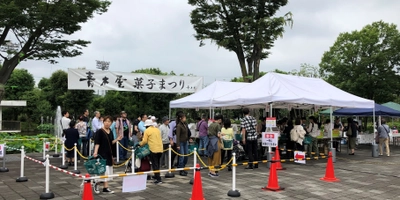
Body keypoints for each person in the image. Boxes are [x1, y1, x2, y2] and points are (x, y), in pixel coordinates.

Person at [93, 116, 123, 194]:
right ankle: (96, 183)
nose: (107, 123)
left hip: (109, 154)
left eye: (109, 121)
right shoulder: (100, 131)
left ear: (111, 123)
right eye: (106, 121)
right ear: (103, 122)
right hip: (101, 154)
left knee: (108, 171)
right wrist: (95, 152)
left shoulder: (110, 131)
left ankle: (105, 188)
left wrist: (117, 139)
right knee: (102, 170)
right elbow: (97, 143)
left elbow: (111, 142)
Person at [135, 119, 164, 184]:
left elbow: (144, 141)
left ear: (146, 126)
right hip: (160, 149)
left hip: (153, 149)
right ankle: (156, 175)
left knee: (154, 164)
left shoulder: (147, 131)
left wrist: (139, 144)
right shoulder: (157, 129)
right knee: (158, 164)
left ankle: (158, 179)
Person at [175, 112, 189, 176]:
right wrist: (178, 145)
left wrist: (189, 138)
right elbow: (177, 136)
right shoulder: (179, 126)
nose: (185, 118)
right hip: (180, 142)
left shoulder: (185, 124)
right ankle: (181, 169)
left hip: (185, 141)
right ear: (181, 118)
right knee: (182, 156)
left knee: (186, 155)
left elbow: (187, 133)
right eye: (184, 117)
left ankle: (183, 167)